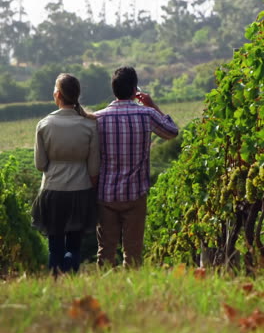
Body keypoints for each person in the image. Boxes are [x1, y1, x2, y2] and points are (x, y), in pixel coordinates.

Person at [95, 66, 178, 268]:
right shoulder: (147, 114)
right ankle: (132, 290)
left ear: (114, 89)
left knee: (106, 251)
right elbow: (172, 132)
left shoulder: (98, 118)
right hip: (135, 194)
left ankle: (106, 292)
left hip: (106, 194)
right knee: (133, 253)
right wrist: (153, 105)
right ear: (135, 90)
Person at [32, 73, 100, 276]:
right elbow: (94, 167)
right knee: (74, 246)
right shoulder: (89, 125)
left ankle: (55, 279)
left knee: (55, 246)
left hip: (53, 191)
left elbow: (40, 164)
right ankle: (70, 271)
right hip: (80, 191)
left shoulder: (44, 125)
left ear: (57, 94)